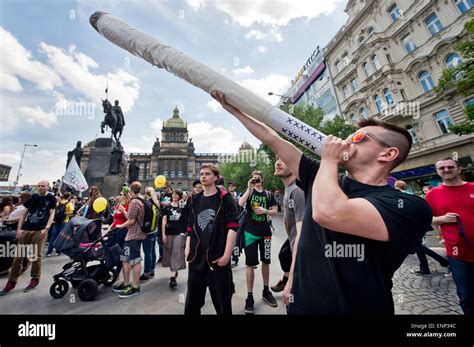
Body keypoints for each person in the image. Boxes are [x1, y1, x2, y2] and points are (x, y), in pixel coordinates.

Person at [212, 91, 432, 315]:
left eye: (358, 138)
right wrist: (235, 109)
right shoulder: (324, 176)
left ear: (387, 154)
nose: (346, 141)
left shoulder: (409, 206)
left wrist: (328, 160)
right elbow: (274, 140)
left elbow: (328, 213)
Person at [184, 163, 239, 315]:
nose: (203, 176)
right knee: (191, 304)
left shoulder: (225, 198)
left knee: (222, 304)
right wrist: (188, 248)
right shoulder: (194, 199)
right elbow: (190, 225)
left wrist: (227, 255)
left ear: (216, 177)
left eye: (207, 174)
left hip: (217, 258)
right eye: (201, 174)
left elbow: (233, 227)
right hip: (196, 259)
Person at [426, 158, 474, 315]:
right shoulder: (433, 195)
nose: (446, 169)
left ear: (459, 169)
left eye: (450, 166)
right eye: (442, 168)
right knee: (466, 295)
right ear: (438, 172)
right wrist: (442, 219)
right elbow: (427, 219)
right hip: (457, 252)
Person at [0, 181, 56, 295]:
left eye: (42, 186)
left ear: (48, 187)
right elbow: (24, 213)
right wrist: (19, 229)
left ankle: (35, 279)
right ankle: (11, 282)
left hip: (39, 231)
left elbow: (52, 213)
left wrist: (46, 228)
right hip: (26, 230)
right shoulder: (33, 198)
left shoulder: (51, 198)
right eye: (39, 186)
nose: (40, 188)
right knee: (18, 258)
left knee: (36, 257)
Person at [238, 170, 278, 314]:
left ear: (262, 180)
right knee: (250, 264)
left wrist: (265, 211)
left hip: (266, 233)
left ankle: (266, 291)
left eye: (258, 179)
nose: (256, 181)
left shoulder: (268, 194)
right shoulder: (249, 192)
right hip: (250, 234)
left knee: (266, 262)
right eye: (253, 179)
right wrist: (249, 188)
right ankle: (249, 297)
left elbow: (275, 210)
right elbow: (240, 203)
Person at [271, 157, 305, 296]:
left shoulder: (297, 191)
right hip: (292, 239)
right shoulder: (289, 189)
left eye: (284, 159)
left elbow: (302, 233)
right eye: (277, 159)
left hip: (301, 248)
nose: (277, 163)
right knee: (284, 255)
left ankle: (288, 283)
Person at [113, 181, 146, 299]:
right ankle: (126, 283)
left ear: (131, 190)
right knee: (125, 259)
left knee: (135, 260)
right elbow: (132, 217)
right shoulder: (140, 200)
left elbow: (131, 220)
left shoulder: (134, 202)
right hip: (133, 234)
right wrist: (123, 211)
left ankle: (135, 286)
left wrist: (120, 226)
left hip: (134, 235)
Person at [162, 189, 187, 288]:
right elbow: (164, 221)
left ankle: (172, 278)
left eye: (177, 195)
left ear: (180, 196)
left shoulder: (183, 207)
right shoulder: (167, 207)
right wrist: (163, 234)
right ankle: (174, 271)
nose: (175, 196)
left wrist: (186, 232)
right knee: (169, 252)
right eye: (174, 194)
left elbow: (186, 218)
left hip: (179, 233)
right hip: (168, 232)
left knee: (177, 252)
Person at [140, 187, 160, 281]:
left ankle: (146, 273)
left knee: (147, 252)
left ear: (146, 194)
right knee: (152, 251)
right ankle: (152, 271)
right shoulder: (155, 203)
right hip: (155, 230)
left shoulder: (147, 203)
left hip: (148, 231)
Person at [46, 192, 74, 256]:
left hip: (56, 221)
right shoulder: (69, 204)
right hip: (64, 221)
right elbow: (71, 213)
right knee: (61, 236)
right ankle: (58, 251)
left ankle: (49, 252)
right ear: (69, 197)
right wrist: (64, 214)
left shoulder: (58, 202)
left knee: (53, 236)